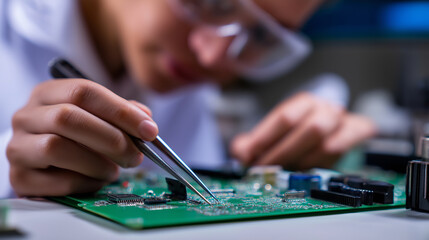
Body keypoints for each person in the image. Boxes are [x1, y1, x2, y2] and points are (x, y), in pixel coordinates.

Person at [0, 0, 375, 198]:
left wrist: (298, 162)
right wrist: (8, 169)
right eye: (213, 1)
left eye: (262, 37)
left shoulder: (189, 81)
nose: (214, 57)